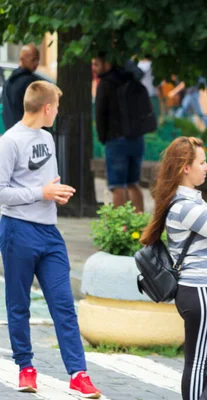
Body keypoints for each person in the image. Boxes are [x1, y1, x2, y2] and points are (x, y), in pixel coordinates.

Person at [0, 81, 101, 398]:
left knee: (64, 306)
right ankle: (26, 368)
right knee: (19, 305)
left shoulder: (46, 138)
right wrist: (40, 193)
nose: (58, 111)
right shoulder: (9, 141)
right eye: (56, 106)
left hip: (50, 232)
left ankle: (78, 373)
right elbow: (1, 191)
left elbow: (42, 183)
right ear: (46, 108)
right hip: (17, 230)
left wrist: (54, 194)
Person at [140, 137, 207, 400]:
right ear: (185, 168)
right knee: (197, 362)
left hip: (206, 291)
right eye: (202, 162)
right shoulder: (185, 206)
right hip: (199, 291)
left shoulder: (192, 202)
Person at [92, 53, 146, 212]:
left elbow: (100, 115)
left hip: (116, 140)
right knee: (133, 183)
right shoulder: (132, 80)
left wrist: (103, 137)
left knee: (117, 186)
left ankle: (119, 226)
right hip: (137, 138)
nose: (94, 69)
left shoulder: (106, 84)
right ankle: (140, 223)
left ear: (108, 63)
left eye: (97, 64)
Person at [2, 44, 41, 130]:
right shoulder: (31, 82)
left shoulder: (9, 81)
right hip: (29, 133)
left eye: (38, 60)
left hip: (11, 132)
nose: (36, 63)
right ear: (22, 60)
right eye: (33, 59)